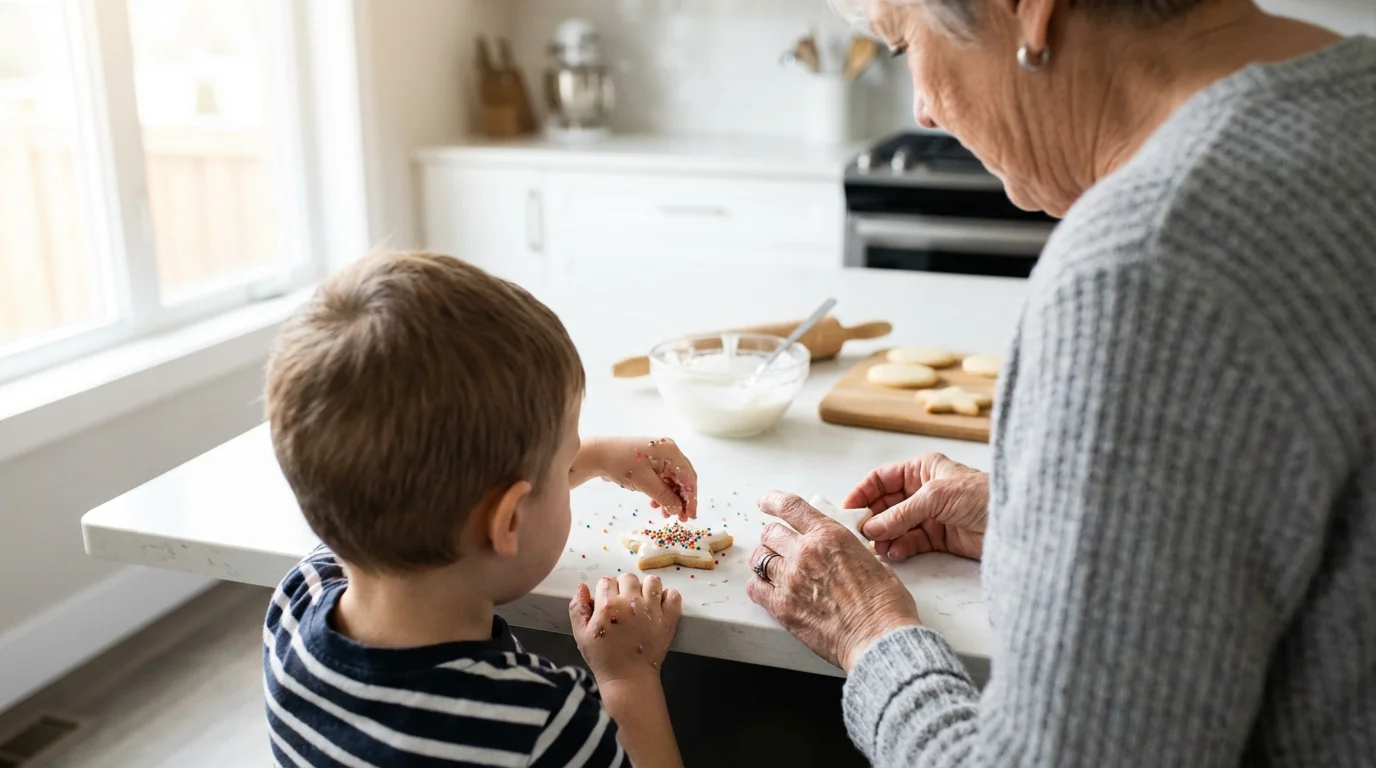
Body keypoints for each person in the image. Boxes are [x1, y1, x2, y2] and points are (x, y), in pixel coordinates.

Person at [746, 0, 1376, 765]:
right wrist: (1037, 524)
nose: (924, 109)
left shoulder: (1147, 265)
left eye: (906, 43)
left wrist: (869, 631)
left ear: (1031, 14)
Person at [261, 251, 696, 767]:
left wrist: (593, 457)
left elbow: (415, 481)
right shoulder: (539, 725)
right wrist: (627, 675)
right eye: (563, 467)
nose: (572, 467)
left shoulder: (294, 602)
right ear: (508, 521)